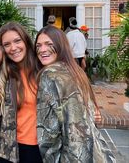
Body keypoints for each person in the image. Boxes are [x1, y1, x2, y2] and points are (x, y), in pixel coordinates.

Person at [34, 25, 116, 162]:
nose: (42, 50)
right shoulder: (76, 71)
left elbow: (49, 134)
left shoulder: (49, 75)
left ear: (61, 45)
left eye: (49, 44)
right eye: (38, 45)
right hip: (93, 154)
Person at [0, 22, 42, 163]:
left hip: (40, 147)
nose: (13, 48)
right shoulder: (3, 73)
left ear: (26, 41)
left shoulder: (43, 69)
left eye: (17, 41)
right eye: (7, 44)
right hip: (9, 148)